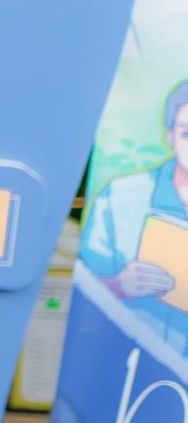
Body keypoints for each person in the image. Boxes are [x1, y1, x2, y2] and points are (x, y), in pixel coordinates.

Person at [78, 80, 188, 352]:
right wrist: (119, 285)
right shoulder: (120, 197)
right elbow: (80, 292)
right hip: (118, 360)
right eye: (187, 134)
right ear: (170, 136)